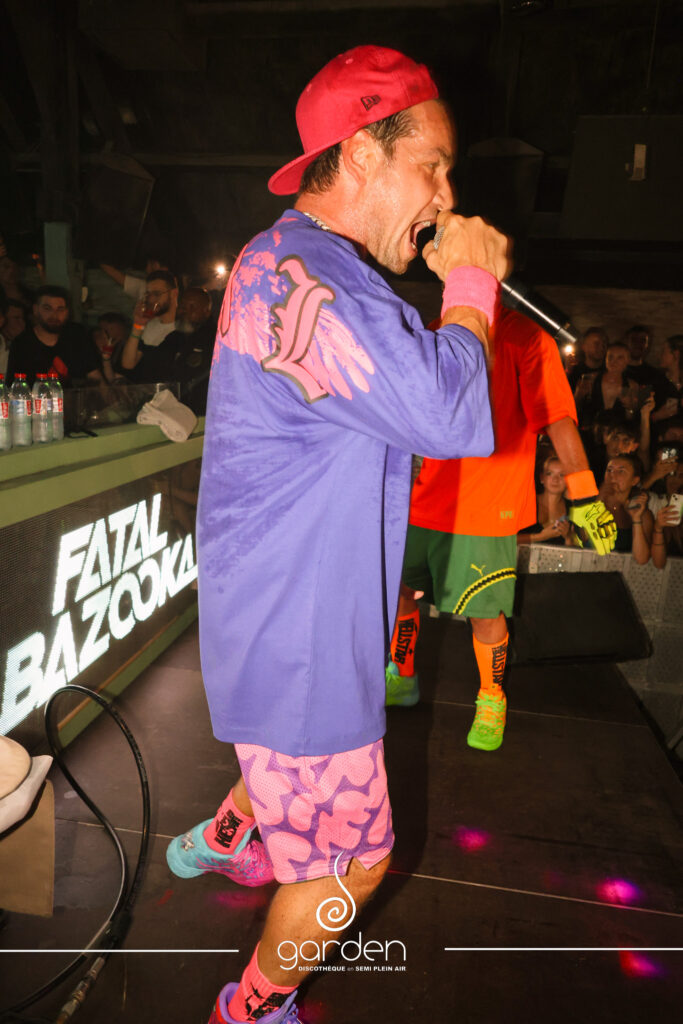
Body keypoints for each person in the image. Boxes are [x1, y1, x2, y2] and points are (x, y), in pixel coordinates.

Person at [166, 45, 510, 1024]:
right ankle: (249, 1007)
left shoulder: (282, 258)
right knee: (353, 863)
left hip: (275, 605)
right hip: (301, 630)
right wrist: (472, 286)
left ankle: (231, 831)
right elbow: (447, 413)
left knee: (288, 756)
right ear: (362, 151)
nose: (446, 193)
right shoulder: (315, 278)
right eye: (431, 165)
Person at [385, 310, 617, 751]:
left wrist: (585, 493)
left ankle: (492, 697)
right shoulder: (437, 327)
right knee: (403, 590)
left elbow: (557, 414)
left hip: (488, 504)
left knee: (484, 610)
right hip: (427, 496)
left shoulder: (526, 337)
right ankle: (403, 673)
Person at [5, 286, 102, 387]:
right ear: (35, 309)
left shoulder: (77, 335)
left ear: (67, 312)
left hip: (77, 396)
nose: (54, 315)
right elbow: (15, 388)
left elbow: (95, 378)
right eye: (47, 309)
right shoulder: (22, 344)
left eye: (60, 309)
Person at [599, 453, 653, 563]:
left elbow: (641, 559)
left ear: (634, 480)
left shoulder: (642, 514)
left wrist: (636, 519)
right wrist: (599, 500)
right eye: (609, 470)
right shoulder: (591, 505)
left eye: (621, 471)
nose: (612, 475)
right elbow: (583, 537)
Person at [518, 455, 574, 546]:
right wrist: (540, 537)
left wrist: (568, 537)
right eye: (549, 473)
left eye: (561, 475)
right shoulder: (527, 503)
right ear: (542, 478)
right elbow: (505, 540)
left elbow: (575, 549)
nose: (555, 479)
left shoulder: (573, 509)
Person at [566, 326, 607, 391]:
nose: (602, 347)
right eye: (596, 343)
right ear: (584, 347)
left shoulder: (611, 371)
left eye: (604, 343)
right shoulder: (575, 372)